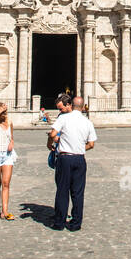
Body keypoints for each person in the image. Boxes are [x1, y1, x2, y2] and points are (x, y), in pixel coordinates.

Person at [47, 92, 97, 231]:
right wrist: (80, 148)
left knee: (62, 191)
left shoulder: (64, 119)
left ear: (71, 105)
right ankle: (75, 224)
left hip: (65, 158)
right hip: (79, 158)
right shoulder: (88, 122)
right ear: (83, 107)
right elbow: (92, 144)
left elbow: (52, 133)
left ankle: (59, 223)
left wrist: (55, 141)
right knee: (78, 193)